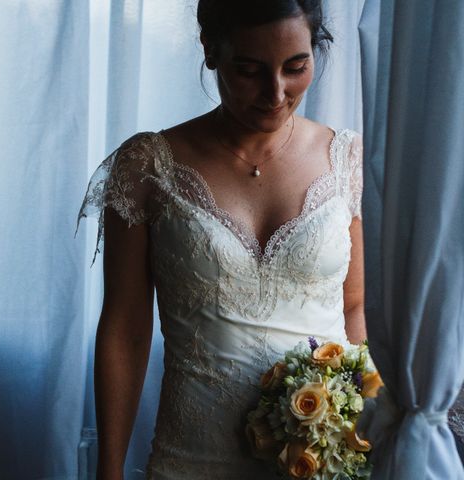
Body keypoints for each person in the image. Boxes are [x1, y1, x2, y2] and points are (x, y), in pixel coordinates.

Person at [76, 0, 365, 478]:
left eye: (296, 67)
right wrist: (109, 469)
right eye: (249, 70)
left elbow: (355, 306)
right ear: (210, 50)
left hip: (322, 460)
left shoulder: (348, 160)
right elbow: (125, 327)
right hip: (191, 457)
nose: (275, 93)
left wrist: (361, 427)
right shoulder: (147, 165)